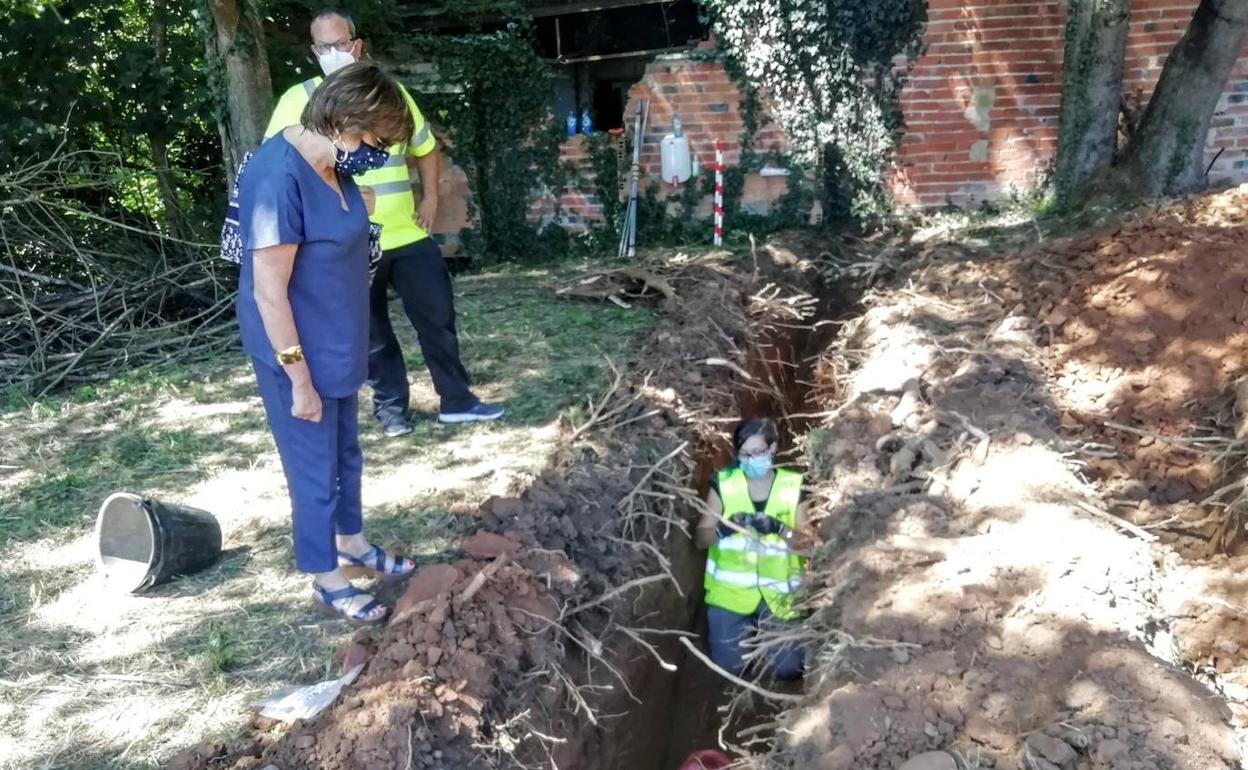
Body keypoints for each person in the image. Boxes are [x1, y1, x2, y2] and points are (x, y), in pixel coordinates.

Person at [265, 8, 504, 437]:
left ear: (356, 45)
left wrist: (430, 198)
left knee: (437, 316)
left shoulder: (389, 94)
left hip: (407, 233)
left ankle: (457, 401)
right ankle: (391, 410)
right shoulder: (295, 101)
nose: (333, 52)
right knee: (371, 333)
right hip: (349, 243)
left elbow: (424, 146)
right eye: (324, 46)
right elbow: (278, 169)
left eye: (340, 44)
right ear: (313, 52)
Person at [237, 62, 418, 624]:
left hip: (339, 337)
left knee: (346, 454)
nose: (380, 154)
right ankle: (325, 576)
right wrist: (297, 378)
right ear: (344, 120)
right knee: (313, 468)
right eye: (377, 141)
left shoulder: (335, 168)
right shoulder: (277, 175)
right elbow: (268, 291)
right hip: (296, 348)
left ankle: (352, 543)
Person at [695, 418, 815, 679]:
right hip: (730, 596)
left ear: (773, 448)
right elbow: (700, 538)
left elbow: (809, 545)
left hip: (780, 598)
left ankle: (773, 644)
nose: (751, 460)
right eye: (744, 454)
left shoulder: (794, 486)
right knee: (729, 669)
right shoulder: (723, 483)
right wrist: (721, 530)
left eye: (758, 452)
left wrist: (780, 528)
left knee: (790, 669)